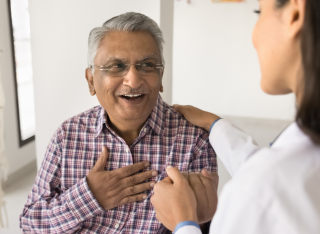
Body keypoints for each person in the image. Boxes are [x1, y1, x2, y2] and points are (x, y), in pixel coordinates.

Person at [19, 12, 218, 233]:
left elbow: (200, 225)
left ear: (161, 77)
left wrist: (204, 219)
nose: (133, 80)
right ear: (91, 80)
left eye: (147, 65)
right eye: (116, 66)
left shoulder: (195, 141)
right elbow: (30, 224)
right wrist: (89, 196)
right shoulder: (68, 136)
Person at [151, 0, 320, 233]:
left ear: (294, 14)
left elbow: (267, 186)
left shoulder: (262, 189)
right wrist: (215, 125)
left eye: (259, 12)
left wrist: (183, 222)